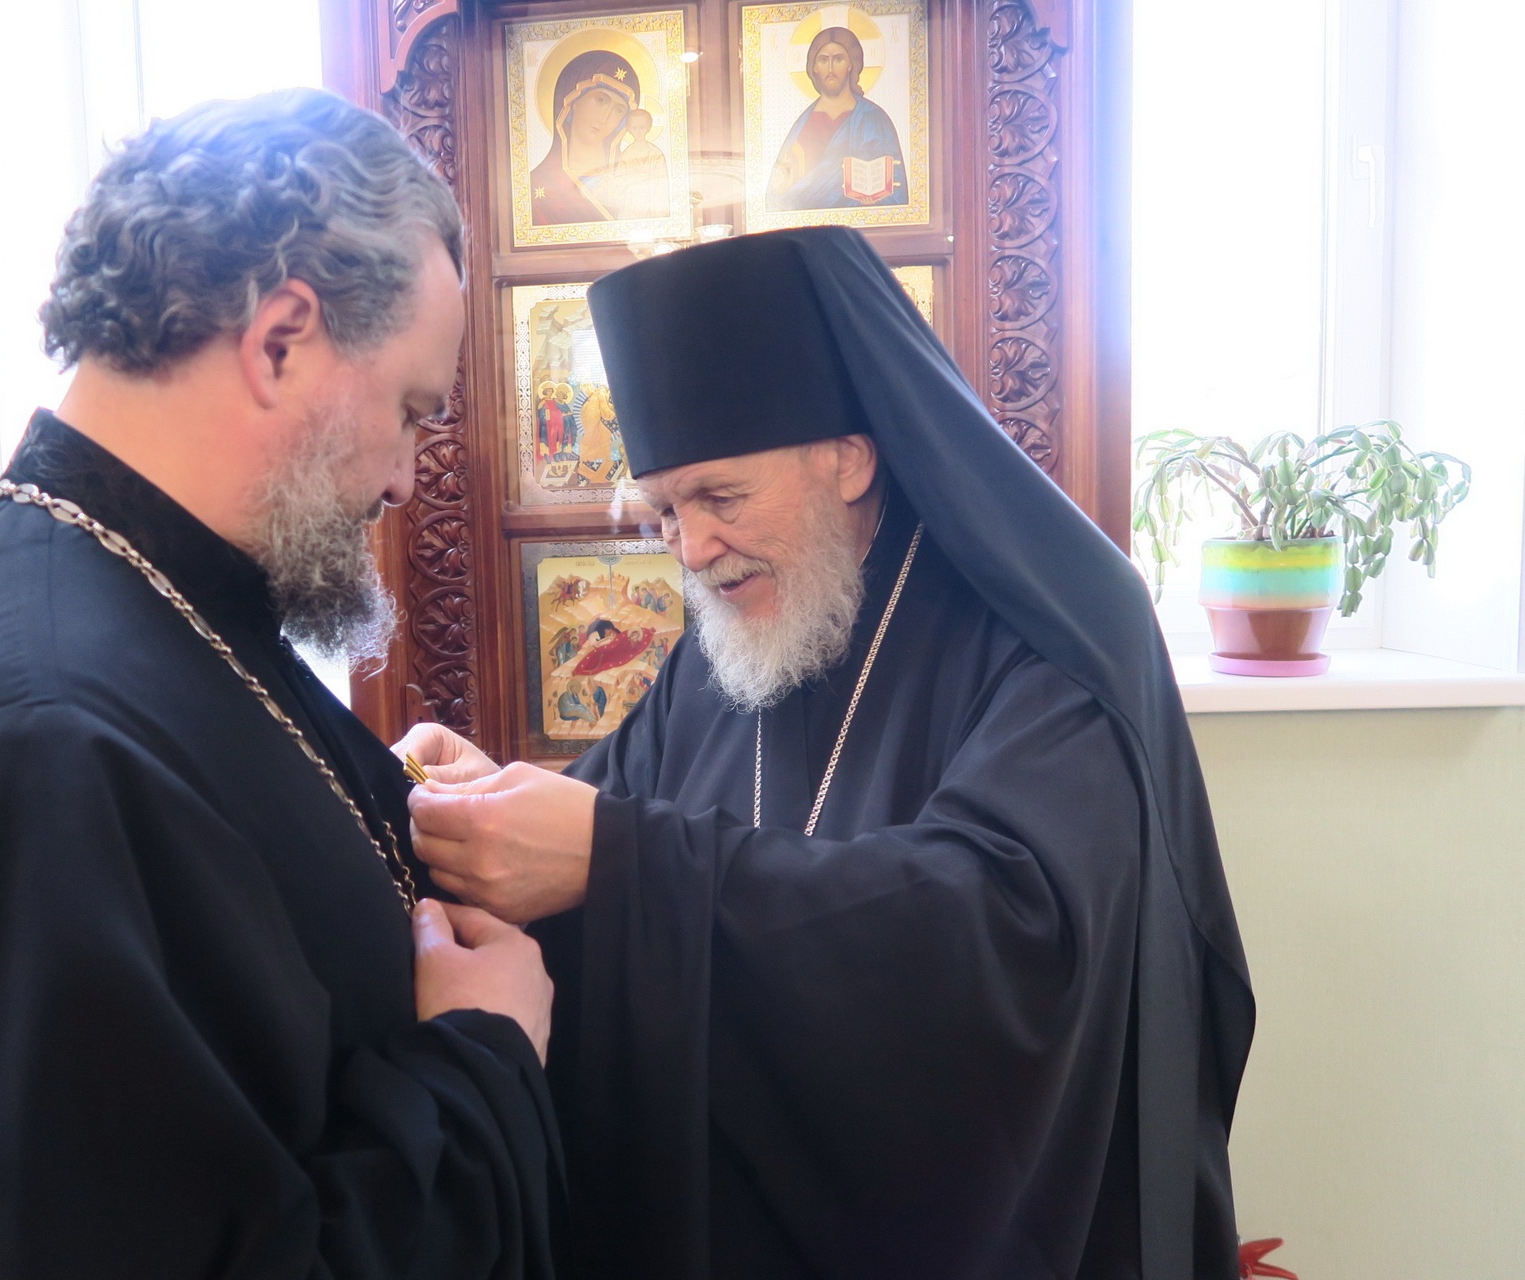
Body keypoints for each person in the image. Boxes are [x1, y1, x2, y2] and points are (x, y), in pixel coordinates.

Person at [0, 91, 560, 1279]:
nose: (408, 476)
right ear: (282, 338)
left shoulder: (172, 607)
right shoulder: (30, 746)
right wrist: (481, 1052)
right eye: (412, 410)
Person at [400, 227, 1254, 1278]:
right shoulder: (738, 637)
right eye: (664, 511)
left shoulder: (1044, 632)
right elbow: (613, 815)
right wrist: (489, 802)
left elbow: (1008, 929)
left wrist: (621, 860)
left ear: (848, 456)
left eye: (721, 497)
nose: (692, 549)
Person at [767, 26, 908, 211]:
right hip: (804, 226)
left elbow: (896, 190)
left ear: (851, 65)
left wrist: (876, 201)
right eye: (823, 60)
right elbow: (778, 191)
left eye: (838, 59)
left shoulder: (873, 118)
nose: (830, 68)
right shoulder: (803, 123)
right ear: (814, 67)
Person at [530, 49, 670, 225]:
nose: (605, 118)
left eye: (619, 110)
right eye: (601, 100)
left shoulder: (630, 168)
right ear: (573, 100)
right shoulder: (538, 184)